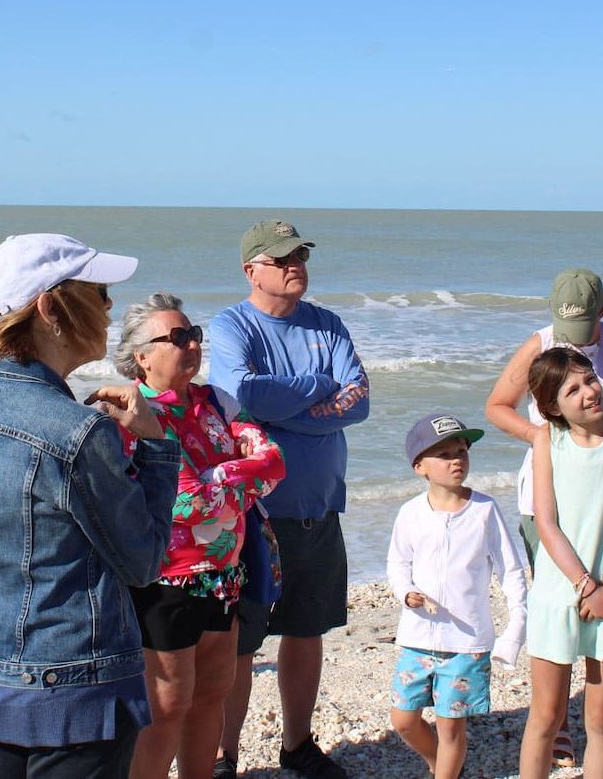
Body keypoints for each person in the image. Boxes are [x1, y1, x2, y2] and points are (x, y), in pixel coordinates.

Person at [0, 234, 181, 778]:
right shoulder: (78, 432)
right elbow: (143, 562)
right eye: (97, 292)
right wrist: (156, 448)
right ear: (50, 306)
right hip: (78, 693)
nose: (109, 306)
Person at [209, 220, 370, 779]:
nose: (294, 263)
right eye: (281, 258)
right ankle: (224, 757)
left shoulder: (326, 323)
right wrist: (319, 387)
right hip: (253, 517)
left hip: (317, 511)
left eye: (299, 253)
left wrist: (287, 409)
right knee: (239, 646)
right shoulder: (232, 324)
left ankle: (297, 746)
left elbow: (360, 399)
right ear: (251, 269)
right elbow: (241, 395)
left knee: (306, 633)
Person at [485, 267, 603, 765]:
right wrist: (549, 440)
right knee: (561, 614)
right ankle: (559, 725)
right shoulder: (540, 346)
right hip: (555, 495)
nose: (588, 386)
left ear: (601, 313)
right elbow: (498, 405)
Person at [113, 293, 286, 779]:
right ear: (142, 355)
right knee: (165, 708)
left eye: (194, 335)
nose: (191, 345)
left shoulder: (217, 402)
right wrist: (229, 480)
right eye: (176, 338)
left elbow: (272, 465)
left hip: (224, 576)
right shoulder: (127, 409)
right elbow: (176, 501)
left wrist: (208, 479)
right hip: (162, 582)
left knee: (211, 696)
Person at [518, 348, 603, 779]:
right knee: (544, 717)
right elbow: (546, 524)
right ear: (550, 407)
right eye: (571, 389)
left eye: (590, 379)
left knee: (600, 719)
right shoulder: (547, 440)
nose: (588, 393)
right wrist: (585, 586)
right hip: (559, 594)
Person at [387, 413, 528, 779]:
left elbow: (510, 569)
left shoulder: (484, 510)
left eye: (462, 450)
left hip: (466, 642)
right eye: (445, 454)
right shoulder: (410, 514)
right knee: (403, 719)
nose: (457, 460)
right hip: (417, 639)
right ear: (420, 466)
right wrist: (407, 593)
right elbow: (397, 564)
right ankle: (442, 766)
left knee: (451, 727)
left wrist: (516, 627)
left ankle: (446, 771)